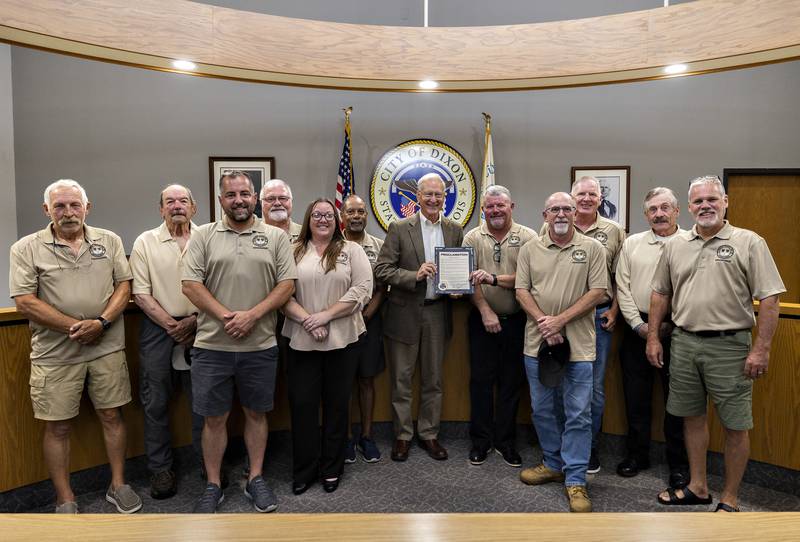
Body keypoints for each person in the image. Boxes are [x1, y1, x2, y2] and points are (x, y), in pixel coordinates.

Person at [647, 175, 784, 513]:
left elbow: (770, 298)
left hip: (730, 346)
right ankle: (698, 486)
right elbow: (660, 293)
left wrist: (761, 348)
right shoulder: (675, 245)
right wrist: (652, 337)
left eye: (712, 199)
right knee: (691, 417)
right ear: (689, 207)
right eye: (698, 201)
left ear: (725, 202)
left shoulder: (749, 241)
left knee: (736, 425)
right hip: (684, 343)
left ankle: (731, 497)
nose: (705, 206)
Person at [9, 179, 142, 514]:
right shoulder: (26, 247)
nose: (68, 213)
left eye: (74, 205)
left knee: (112, 415)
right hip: (55, 353)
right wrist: (74, 327)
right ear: (47, 210)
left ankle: (118, 484)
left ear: (87, 207)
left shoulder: (108, 240)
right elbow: (25, 301)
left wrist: (102, 323)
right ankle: (65, 497)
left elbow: (124, 285)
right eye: (59, 206)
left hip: (107, 347)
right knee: (58, 425)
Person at [182, 171, 296, 513]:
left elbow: (286, 284)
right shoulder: (202, 236)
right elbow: (190, 284)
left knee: (256, 415)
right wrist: (226, 316)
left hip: (259, 346)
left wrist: (252, 315)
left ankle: (255, 478)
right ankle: (214, 483)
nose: (239, 200)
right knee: (213, 419)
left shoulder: (275, 237)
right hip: (212, 346)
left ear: (255, 197)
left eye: (245, 193)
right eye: (231, 195)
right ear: (221, 201)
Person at [516, 192, 608, 513]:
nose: (560, 213)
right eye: (554, 208)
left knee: (578, 413)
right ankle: (553, 463)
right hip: (537, 342)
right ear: (545, 214)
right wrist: (545, 323)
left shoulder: (592, 248)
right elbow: (521, 290)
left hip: (579, 347)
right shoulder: (530, 249)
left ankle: (576, 479)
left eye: (566, 208)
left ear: (574, 214)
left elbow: (598, 292)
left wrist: (561, 321)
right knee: (541, 408)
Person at [282, 198, 373, 494]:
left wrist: (325, 316)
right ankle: (304, 470)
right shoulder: (292, 250)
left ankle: (331, 469)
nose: (323, 219)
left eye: (329, 215)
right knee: (303, 406)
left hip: (342, 340)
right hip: (300, 339)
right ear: (308, 219)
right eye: (317, 215)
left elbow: (362, 289)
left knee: (337, 407)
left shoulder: (352, 250)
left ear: (337, 220)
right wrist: (309, 320)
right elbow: (281, 292)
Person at [375, 173, 464, 462]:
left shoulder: (454, 228)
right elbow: (383, 270)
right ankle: (402, 436)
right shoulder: (400, 227)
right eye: (428, 195)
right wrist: (415, 275)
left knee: (433, 379)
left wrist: (456, 288)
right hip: (403, 313)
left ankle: (429, 434)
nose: (434, 200)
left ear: (445, 198)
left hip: (438, 312)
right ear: (417, 197)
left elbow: (456, 269)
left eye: (439, 195)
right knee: (401, 380)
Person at [543, 176, 625, 472]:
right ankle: (563, 448)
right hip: (557, 321)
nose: (586, 199)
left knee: (592, 389)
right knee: (556, 385)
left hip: (598, 317)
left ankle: (588, 449)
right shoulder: (554, 224)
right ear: (572, 198)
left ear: (600, 199)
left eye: (592, 194)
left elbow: (621, 278)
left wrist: (615, 311)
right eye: (581, 194)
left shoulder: (614, 231)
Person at [130, 184, 205, 499]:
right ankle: (161, 470)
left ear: (193, 207)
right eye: (170, 201)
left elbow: (218, 285)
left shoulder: (208, 237)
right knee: (156, 403)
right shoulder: (145, 242)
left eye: (183, 200)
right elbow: (140, 293)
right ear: (161, 209)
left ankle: (208, 466)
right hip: (157, 329)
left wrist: (194, 321)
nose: (177, 206)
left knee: (204, 403)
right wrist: (171, 325)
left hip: (201, 328)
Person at [615, 187, 688, 487]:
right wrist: (638, 326)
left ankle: (679, 465)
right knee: (636, 398)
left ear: (676, 211)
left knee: (678, 402)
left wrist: (669, 325)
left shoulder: (691, 242)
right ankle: (637, 455)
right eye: (653, 210)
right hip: (637, 329)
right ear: (645, 215)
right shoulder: (632, 244)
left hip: (678, 331)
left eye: (664, 208)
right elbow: (623, 286)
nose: (659, 214)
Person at [463, 185, 536, 467]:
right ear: (483, 209)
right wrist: (484, 310)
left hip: (518, 321)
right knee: (480, 383)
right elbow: (468, 279)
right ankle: (480, 442)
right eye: (490, 206)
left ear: (511, 206)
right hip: (482, 321)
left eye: (500, 205)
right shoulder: (473, 237)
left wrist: (493, 278)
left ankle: (506, 443)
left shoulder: (528, 237)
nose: (495, 210)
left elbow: (528, 279)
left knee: (511, 384)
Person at [341, 194, 387, 463]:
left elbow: (383, 288)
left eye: (361, 212)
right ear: (342, 216)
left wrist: (367, 315)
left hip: (369, 321)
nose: (356, 216)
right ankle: (346, 438)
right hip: (340, 322)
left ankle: (367, 437)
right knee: (343, 382)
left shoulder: (378, 246)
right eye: (351, 212)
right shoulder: (333, 245)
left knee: (367, 379)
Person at [261, 178, 302, 243]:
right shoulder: (251, 235)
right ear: (261, 203)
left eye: (283, 198)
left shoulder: (305, 234)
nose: (277, 203)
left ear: (291, 202)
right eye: (270, 199)